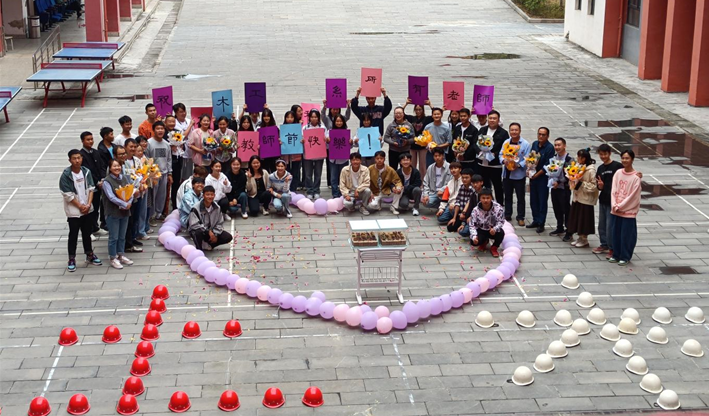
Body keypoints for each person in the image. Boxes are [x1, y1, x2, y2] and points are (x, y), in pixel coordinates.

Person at [61, 150, 102, 271]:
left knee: (87, 233)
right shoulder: (66, 175)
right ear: (70, 160)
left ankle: (89, 254)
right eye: (74, 158)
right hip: (74, 211)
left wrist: (88, 204)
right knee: (73, 235)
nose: (77, 160)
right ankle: (71, 258)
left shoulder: (86, 172)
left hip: (87, 210)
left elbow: (91, 189)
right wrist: (80, 206)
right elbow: (67, 194)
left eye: (79, 158)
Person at [609, 150, 641, 266]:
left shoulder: (636, 177)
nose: (624, 160)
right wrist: (614, 204)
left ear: (632, 159)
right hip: (616, 209)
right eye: (623, 158)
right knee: (615, 234)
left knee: (627, 235)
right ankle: (616, 254)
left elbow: (633, 196)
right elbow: (614, 189)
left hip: (628, 211)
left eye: (627, 158)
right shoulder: (618, 173)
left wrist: (621, 206)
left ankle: (625, 256)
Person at [102, 159, 135, 269]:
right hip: (113, 212)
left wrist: (129, 202)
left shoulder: (125, 178)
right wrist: (124, 203)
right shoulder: (107, 181)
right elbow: (111, 197)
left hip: (125, 211)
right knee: (114, 237)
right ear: (110, 168)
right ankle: (113, 257)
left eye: (118, 166)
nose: (117, 168)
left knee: (122, 236)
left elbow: (131, 192)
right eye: (114, 166)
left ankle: (121, 254)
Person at [594, 143, 623, 257]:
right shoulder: (600, 168)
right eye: (601, 154)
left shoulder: (617, 166)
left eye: (605, 154)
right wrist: (600, 186)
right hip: (603, 199)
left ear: (610, 153)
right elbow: (598, 186)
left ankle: (612, 248)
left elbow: (626, 175)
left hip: (614, 201)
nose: (603, 156)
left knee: (610, 225)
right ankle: (604, 244)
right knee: (602, 224)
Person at [499, 122, 531, 226]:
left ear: (520, 131)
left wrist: (519, 165)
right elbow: (501, 154)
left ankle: (520, 217)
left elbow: (527, 158)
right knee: (507, 195)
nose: (514, 132)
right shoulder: (506, 142)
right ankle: (507, 214)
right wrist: (503, 161)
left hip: (519, 174)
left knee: (520, 197)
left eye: (516, 130)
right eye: (512, 130)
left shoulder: (525, 144)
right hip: (507, 174)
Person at [566, 148, 599, 248]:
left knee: (584, 219)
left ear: (584, 158)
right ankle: (580, 237)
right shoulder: (578, 166)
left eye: (579, 157)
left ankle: (584, 239)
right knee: (577, 218)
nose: (577, 158)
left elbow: (594, 186)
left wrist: (581, 183)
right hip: (577, 197)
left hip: (586, 199)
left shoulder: (591, 170)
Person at [187, 185, 233, 251]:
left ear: (214, 195)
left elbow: (220, 223)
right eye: (207, 195)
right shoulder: (196, 208)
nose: (210, 197)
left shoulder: (217, 207)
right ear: (203, 195)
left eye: (212, 195)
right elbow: (194, 225)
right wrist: (207, 231)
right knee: (197, 232)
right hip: (201, 230)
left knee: (228, 237)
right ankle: (199, 249)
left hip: (212, 231)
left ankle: (208, 245)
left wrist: (215, 234)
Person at [527, 127, 555, 233]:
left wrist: (537, 175)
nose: (541, 136)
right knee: (533, 199)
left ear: (547, 136)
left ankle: (541, 223)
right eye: (539, 134)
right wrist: (529, 171)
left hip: (543, 178)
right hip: (533, 176)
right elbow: (531, 158)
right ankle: (535, 220)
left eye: (543, 135)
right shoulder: (535, 144)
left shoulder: (549, 148)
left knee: (542, 200)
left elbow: (547, 165)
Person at [477, 110, 508, 205]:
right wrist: (479, 151)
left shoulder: (503, 133)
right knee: (484, 186)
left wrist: (495, 154)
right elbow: (475, 143)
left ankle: (499, 206)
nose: (492, 120)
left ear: (498, 120)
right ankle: (484, 205)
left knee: (498, 186)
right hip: (482, 164)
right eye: (490, 118)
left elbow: (505, 148)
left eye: (494, 118)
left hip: (495, 165)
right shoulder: (482, 130)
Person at [79, 131, 107, 237]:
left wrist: (103, 179)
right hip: (89, 187)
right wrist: (96, 182)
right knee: (89, 208)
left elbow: (102, 166)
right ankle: (88, 231)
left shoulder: (96, 152)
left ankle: (95, 227)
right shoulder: (81, 155)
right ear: (82, 141)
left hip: (99, 185)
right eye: (88, 139)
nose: (90, 141)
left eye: (91, 139)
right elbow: (87, 171)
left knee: (96, 207)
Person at [146, 121, 173, 223]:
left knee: (162, 195)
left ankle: (159, 213)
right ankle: (151, 215)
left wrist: (170, 173)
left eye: (162, 128)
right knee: (153, 195)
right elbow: (146, 159)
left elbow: (169, 159)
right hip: (153, 175)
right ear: (153, 130)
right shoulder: (149, 143)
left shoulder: (166, 144)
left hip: (164, 173)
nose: (160, 131)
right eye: (158, 128)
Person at [549, 138, 574, 241]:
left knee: (566, 209)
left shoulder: (569, 159)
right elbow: (551, 172)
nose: (557, 147)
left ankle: (569, 231)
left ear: (564, 146)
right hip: (554, 188)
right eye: (555, 145)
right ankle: (560, 227)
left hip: (564, 188)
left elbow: (570, 175)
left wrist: (559, 182)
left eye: (559, 145)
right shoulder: (554, 158)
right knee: (556, 208)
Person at [468, 188, 506, 258]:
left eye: (488, 198)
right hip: (481, 230)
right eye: (483, 198)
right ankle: (484, 242)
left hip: (492, 230)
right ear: (480, 199)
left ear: (491, 198)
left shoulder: (498, 208)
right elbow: (472, 225)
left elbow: (501, 221)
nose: (485, 200)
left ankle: (494, 247)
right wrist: (474, 237)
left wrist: (495, 229)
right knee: (473, 241)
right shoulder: (475, 210)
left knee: (501, 233)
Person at [367, 150, 403, 214]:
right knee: (371, 205)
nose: (379, 160)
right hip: (375, 192)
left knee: (401, 188)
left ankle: (393, 206)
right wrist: (370, 193)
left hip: (386, 190)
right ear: (375, 159)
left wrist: (398, 187)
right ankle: (378, 203)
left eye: (381, 158)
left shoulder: (390, 169)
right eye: (377, 158)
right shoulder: (370, 169)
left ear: (384, 159)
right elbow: (366, 181)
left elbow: (397, 180)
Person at [302, 109, 327, 200]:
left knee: (318, 173)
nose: (314, 119)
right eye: (312, 117)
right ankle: (309, 190)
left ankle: (316, 190)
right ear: (309, 118)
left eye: (315, 117)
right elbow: (302, 138)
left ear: (318, 118)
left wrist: (326, 139)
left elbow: (326, 139)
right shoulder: (305, 128)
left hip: (319, 155)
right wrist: (302, 140)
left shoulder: (323, 128)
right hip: (308, 154)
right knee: (308, 174)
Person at [404, 99, 433, 175]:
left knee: (423, 166)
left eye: (420, 109)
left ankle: (423, 181)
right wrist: (406, 104)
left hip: (423, 146)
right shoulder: (411, 118)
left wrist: (430, 104)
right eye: (416, 109)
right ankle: (412, 179)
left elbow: (435, 114)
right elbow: (401, 114)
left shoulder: (427, 119)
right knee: (412, 165)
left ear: (423, 110)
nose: (418, 111)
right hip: (413, 145)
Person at [327, 114, 350, 198]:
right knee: (333, 178)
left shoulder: (346, 132)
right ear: (334, 122)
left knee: (343, 177)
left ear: (343, 122)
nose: (339, 123)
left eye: (340, 121)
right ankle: (335, 194)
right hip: (333, 159)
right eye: (337, 121)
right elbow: (327, 146)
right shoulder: (330, 132)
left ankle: (343, 193)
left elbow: (350, 146)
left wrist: (350, 142)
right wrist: (327, 141)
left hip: (344, 159)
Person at [446, 168, 475, 233]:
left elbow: (469, 203)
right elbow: (458, 202)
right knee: (450, 227)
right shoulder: (461, 187)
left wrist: (464, 213)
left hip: (469, 214)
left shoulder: (473, 189)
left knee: (463, 232)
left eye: (466, 178)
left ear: (471, 178)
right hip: (461, 213)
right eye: (463, 178)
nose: (464, 180)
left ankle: (465, 225)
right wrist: (454, 218)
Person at [453, 108, 480, 174]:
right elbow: (454, 140)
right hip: (458, 160)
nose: (462, 118)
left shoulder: (474, 130)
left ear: (469, 116)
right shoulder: (457, 128)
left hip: (469, 160)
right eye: (461, 116)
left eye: (464, 116)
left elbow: (474, 145)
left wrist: (464, 155)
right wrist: (455, 151)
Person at [281, 111, 302, 192]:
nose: (289, 119)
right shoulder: (282, 129)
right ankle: (287, 189)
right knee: (286, 172)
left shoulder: (298, 128)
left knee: (295, 172)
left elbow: (302, 137)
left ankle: (294, 189)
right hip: (286, 155)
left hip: (296, 154)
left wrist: (302, 140)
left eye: (291, 117)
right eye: (288, 117)